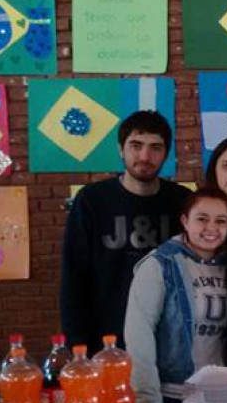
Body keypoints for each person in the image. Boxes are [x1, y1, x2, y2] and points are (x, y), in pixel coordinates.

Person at [60, 110, 190, 352]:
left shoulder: (182, 201)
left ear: (166, 154)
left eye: (155, 148)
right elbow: (74, 277)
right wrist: (77, 344)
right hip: (107, 340)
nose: (144, 156)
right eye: (136, 145)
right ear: (121, 149)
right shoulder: (92, 200)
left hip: (171, 341)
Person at [124, 188, 227, 403]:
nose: (212, 228)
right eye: (202, 219)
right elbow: (138, 337)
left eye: (220, 220)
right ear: (185, 220)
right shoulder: (160, 264)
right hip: (175, 396)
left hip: (223, 393)